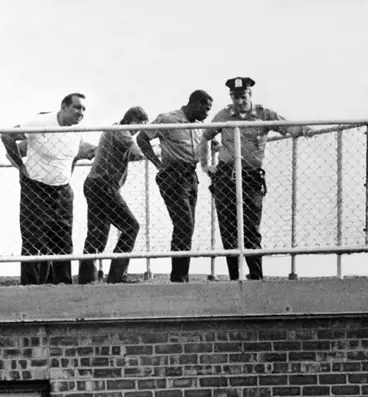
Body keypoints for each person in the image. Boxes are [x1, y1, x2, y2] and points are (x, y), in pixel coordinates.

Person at [198, 77, 311, 281]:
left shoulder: (263, 114)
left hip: (250, 178)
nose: (239, 101)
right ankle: (234, 278)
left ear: (250, 95)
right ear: (231, 97)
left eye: (243, 97)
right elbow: (205, 136)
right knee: (228, 228)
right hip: (226, 176)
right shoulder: (224, 115)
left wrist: (304, 130)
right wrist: (206, 166)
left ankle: (256, 277)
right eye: (235, 97)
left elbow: (286, 127)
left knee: (251, 228)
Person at [1, 93, 95, 285]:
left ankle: (62, 287)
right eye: (77, 108)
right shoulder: (41, 122)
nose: (81, 113)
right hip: (35, 188)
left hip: (62, 191)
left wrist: (67, 177)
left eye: (84, 109)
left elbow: (71, 158)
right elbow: (6, 135)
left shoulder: (77, 131)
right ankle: (30, 288)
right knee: (34, 240)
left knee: (63, 240)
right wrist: (21, 166)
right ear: (64, 106)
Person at [137, 90, 213, 282]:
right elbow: (141, 138)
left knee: (187, 227)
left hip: (191, 176)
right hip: (172, 175)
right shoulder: (168, 119)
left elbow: (208, 142)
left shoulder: (199, 126)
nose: (207, 113)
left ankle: (181, 276)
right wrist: (156, 162)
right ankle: (178, 277)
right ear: (194, 103)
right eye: (205, 108)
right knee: (184, 224)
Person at [78, 106, 150, 284]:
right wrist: (150, 151)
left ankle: (86, 279)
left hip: (95, 184)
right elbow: (137, 153)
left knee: (97, 235)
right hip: (104, 186)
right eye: (139, 125)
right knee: (131, 226)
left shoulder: (115, 132)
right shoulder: (120, 131)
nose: (138, 131)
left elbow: (130, 156)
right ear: (133, 120)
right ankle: (117, 276)